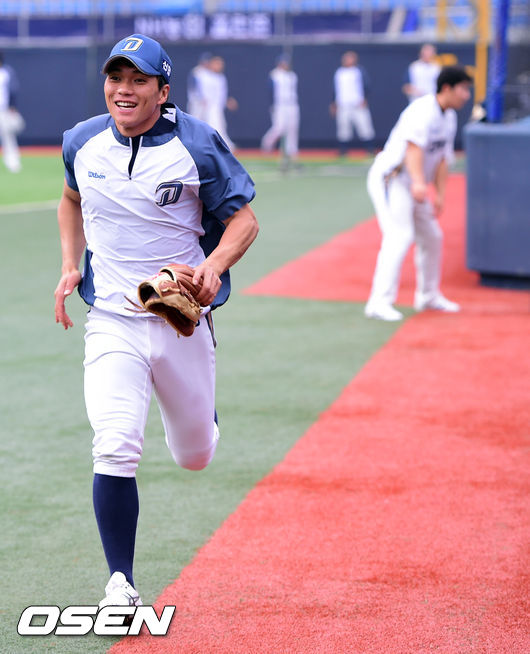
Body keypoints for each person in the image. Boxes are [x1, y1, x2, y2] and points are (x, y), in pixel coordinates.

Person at [54, 34, 259, 608]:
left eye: (138, 80)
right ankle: (120, 583)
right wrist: (70, 264)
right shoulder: (82, 141)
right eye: (116, 78)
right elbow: (70, 199)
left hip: (180, 319)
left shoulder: (196, 144)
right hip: (112, 319)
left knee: (195, 455)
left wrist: (214, 265)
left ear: (162, 91)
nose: (124, 90)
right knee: (114, 444)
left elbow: (244, 221)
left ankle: (203, 415)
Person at [364, 66, 472, 321]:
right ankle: (378, 302)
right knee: (399, 235)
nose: (467, 95)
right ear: (447, 88)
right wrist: (419, 183)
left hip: (413, 182)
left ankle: (428, 296)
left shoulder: (448, 117)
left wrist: (441, 194)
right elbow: (413, 148)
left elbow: (443, 159)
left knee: (432, 237)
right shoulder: (422, 110)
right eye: (463, 89)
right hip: (393, 179)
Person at [330, 50, 375, 156]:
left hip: (357, 104)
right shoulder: (339, 72)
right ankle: (343, 150)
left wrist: (364, 98)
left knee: (364, 126)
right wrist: (333, 103)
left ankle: (370, 149)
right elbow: (335, 89)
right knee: (343, 128)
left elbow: (367, 86)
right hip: (343, 104)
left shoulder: (359, 71)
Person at [261, 54, 300, 170]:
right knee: (279, 128)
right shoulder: (274, 74)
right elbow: (271, 90)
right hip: (279, 105)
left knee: (292, 129)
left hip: (292, 104)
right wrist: (272, 105)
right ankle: (267, 143)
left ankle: (292, 153)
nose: (285, 64)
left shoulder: (292, 75)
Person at [200, 55, 238, 151]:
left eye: (221, 64)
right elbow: (203, 94)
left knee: (221, 125)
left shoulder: (221, 78)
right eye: (217, 64)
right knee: (215, 126)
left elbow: (221, 95)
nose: (220, 66)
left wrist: (227, 102)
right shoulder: (205, 76)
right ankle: (225, 146)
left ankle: (223, 145)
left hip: (218, 107)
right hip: (209, 107)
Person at [0, 51, 23, 173]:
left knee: (8, 137)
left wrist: (12, 106)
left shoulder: (6, 72)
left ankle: (13, 162)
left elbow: (13, 89)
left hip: (4, 111)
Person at [186, 51, 211, 121]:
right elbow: (195, 87)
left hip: (204, 102)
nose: (207, 63)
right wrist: (201, 97)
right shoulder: (196, 71)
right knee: (195, 119)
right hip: (196, 101)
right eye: (205, 61)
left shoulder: (207, 72)